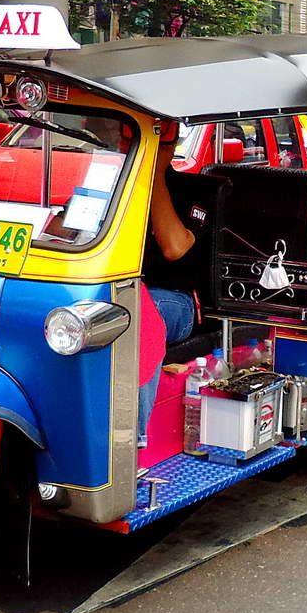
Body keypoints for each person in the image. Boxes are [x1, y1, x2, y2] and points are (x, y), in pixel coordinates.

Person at [138, 120, 198, 447]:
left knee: (136, 314)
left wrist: (154, 175)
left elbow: (174, 247)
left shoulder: (187, 188)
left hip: (175, 301)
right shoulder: (111, 180)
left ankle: (131, 441)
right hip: (113, 288)